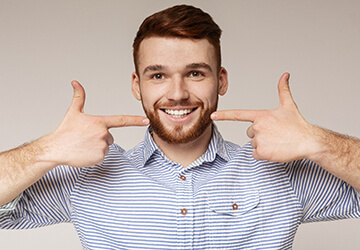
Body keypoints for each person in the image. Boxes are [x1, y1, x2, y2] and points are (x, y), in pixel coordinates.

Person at [0, 4, 359, 249]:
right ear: (137, 85)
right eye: (158, 75)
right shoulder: (85, 179)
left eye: (195, 73)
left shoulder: (283, 175)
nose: (177, 93)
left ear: (220, 80)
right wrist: (45, 151)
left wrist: (318, 141)